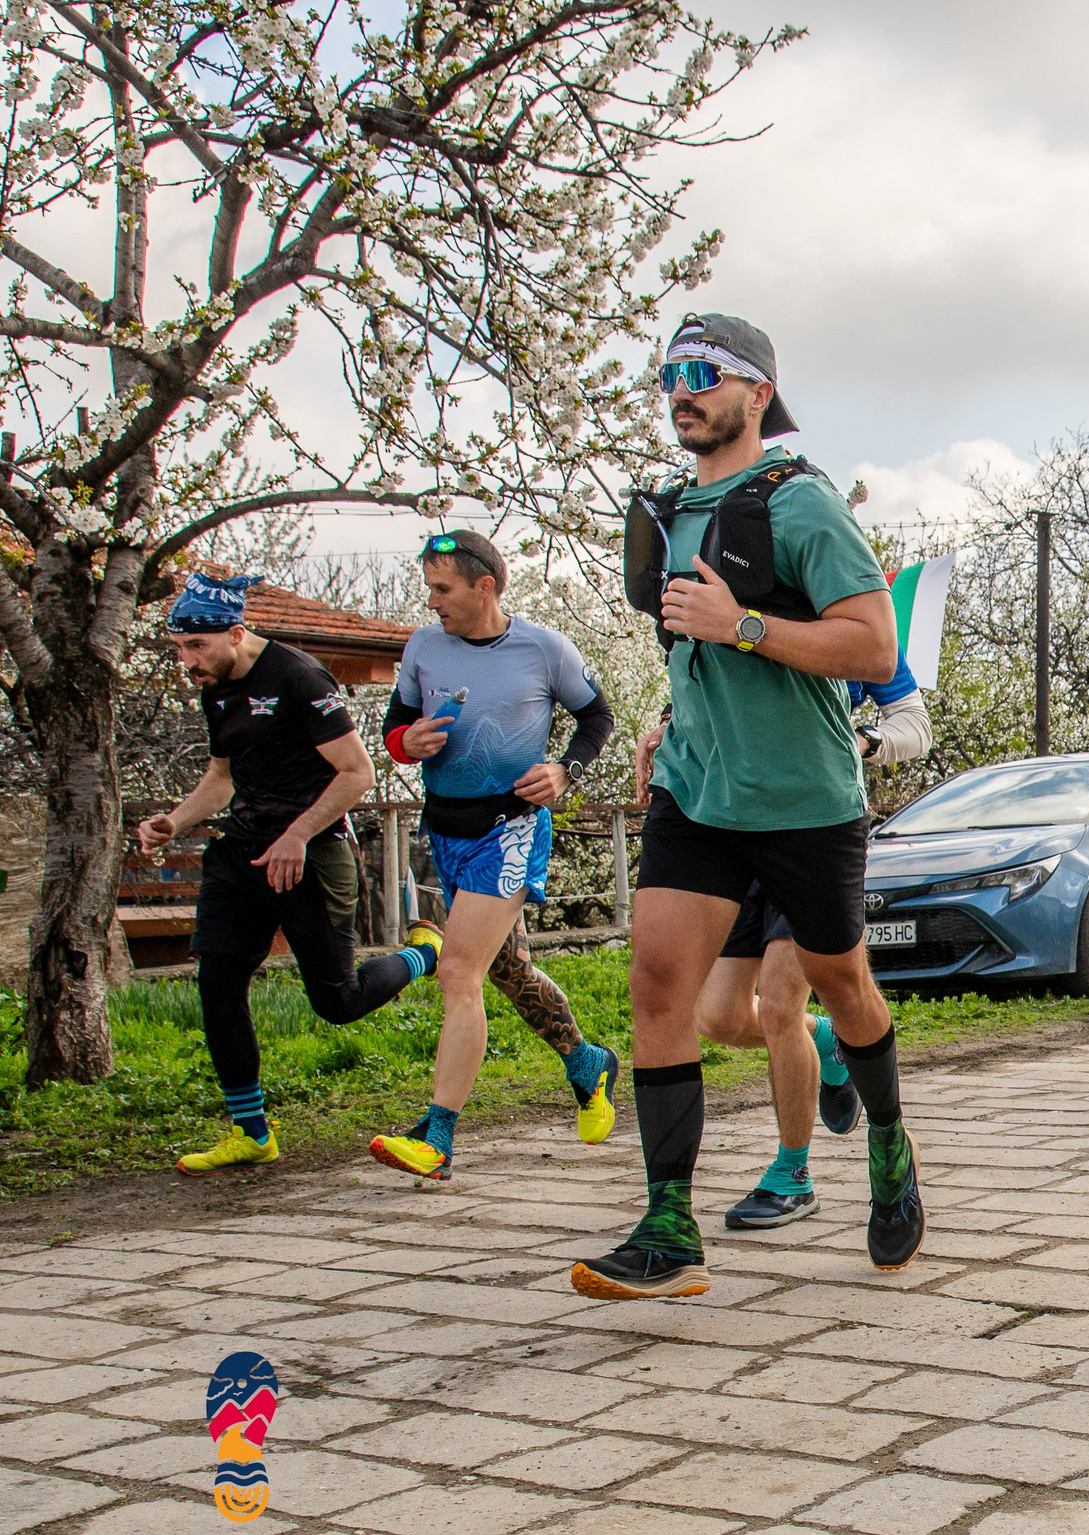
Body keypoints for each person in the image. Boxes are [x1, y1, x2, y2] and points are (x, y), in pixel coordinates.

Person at [568, 311, 907, 1299]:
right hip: (698, 794)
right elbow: (696, 651)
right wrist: (669, 722)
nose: (683, 388)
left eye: (705, 372)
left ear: (757, 393)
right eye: (671, 372)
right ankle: (669, 1228)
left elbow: (872, 650)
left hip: (803, 797)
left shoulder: (802, 506)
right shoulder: (668, 508)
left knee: (842, 989)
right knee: (659, 992)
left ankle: (889, 1146)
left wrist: (745, 623)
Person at [140, 573, 443, 1175]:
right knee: (218, 984)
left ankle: (423, 952)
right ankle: (251, 1132)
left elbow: (357, 773)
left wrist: (297, 835)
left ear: (234, 632)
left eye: (196, 647)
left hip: (312, 854)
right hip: (242, 856)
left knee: (338, 1001)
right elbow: (221, 777)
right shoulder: (216, 688)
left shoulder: (299, 678)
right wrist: (174, 820)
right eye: (179, 648)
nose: (187, 661)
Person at [367, 532, 622, 1181]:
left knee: (458, 972)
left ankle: (440, 1138)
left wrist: (566, 770)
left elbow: (598, 717)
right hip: (445, 830)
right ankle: (586, 1062)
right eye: (429, 587)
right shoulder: (424, 645)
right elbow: (396, 726)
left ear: (486, 586)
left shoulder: (542, 648)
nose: (433, 601)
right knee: (507, 971)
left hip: (508, 831)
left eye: (443, 589)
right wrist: (407, 740)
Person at [669, 638, 936, 1230]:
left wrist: (865, 740)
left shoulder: (844, 621)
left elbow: (916, 726)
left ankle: (793, 1174)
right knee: (716, 1015)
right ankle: (826, 1045)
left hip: (813, 823)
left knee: (781, 1005)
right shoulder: (710, 610)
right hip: (729, 825)